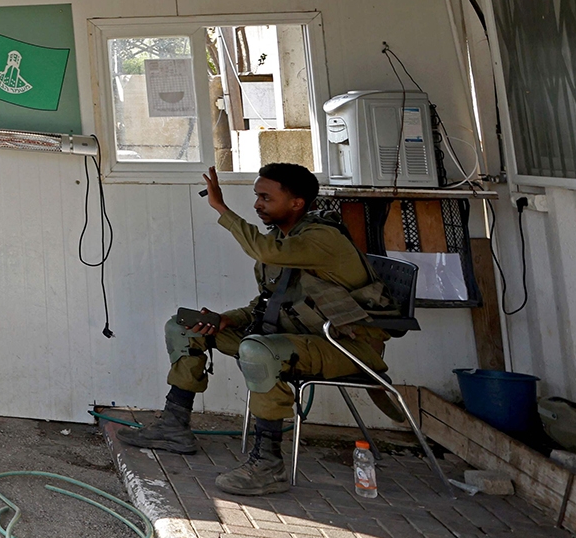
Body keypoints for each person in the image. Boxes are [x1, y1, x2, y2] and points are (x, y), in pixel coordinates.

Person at [122, 161, 394, 496]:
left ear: (296, 203)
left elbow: (263, 251)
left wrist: (221, 208)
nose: (256, 204)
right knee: (186, 327)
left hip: (345, 347)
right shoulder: (284, 239)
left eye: (265, 197)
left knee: (259, 352)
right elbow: (269, 301)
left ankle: (268, 464)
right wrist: (228, 320)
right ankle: (173, 426)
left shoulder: (322, 239)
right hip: (300, 339)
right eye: (256, 197)